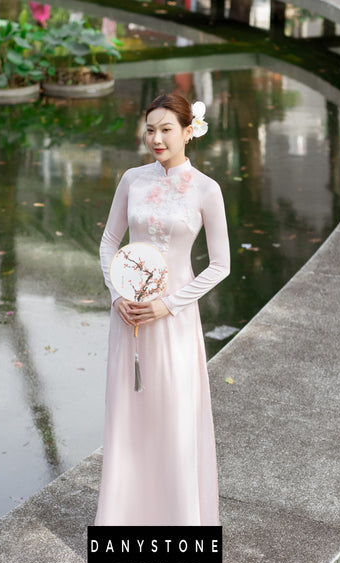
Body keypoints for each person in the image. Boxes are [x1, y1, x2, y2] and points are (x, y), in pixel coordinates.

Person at [94, 93, 230, 526]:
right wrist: (118, 295)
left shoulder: (207, 190)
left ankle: (179, 525)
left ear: (189, 131)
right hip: (128, 316)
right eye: (150, 129)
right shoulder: (132, 179)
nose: (156, 138)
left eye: (166, 128)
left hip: (173, 319)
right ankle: (123, 523)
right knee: (128, 417)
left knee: (174, 416)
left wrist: (167, 305)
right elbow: (108, 243)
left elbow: (221, 265)